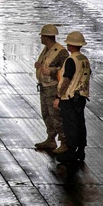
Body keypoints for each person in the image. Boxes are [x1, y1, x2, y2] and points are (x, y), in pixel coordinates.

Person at [54, 31, 91, 165]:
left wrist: (58, 96)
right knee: (80, 124)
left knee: (70, 125)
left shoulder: (71, 60)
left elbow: (66, 79)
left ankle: (70, 152)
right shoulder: (84, 59)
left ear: (70, 45)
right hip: (81, 97)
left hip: (69, 98)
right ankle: (80, 151)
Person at [33, 24, 69, 153]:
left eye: (42, 36)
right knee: (46, 114)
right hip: (44, 88)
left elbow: (66, 71)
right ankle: (51, 138)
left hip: (53, 89)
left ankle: (64, 142)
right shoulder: (47, 49)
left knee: (56, 116)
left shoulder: (61, 52)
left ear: (46, 37)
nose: (41, 38)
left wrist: (51, 72)